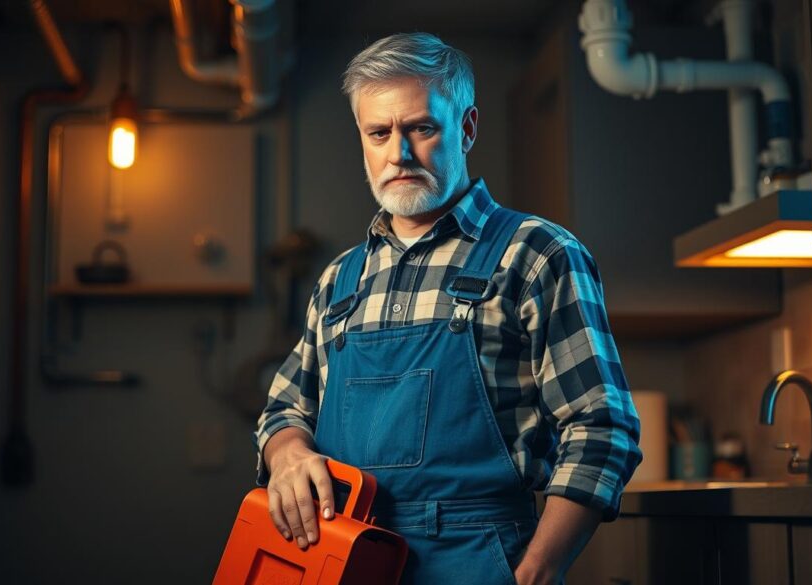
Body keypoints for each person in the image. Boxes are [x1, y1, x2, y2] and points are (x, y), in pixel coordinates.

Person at [253, 32, 642, 585]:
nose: (399, 153)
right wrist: (287, 454)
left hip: (478, 561)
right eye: (379, 132)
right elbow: (284, 410)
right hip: (339, 560)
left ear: (467, 127)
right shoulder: (340, 279)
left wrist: (537, 571)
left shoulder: (537, 254)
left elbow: (603, 429)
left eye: (422, 128)